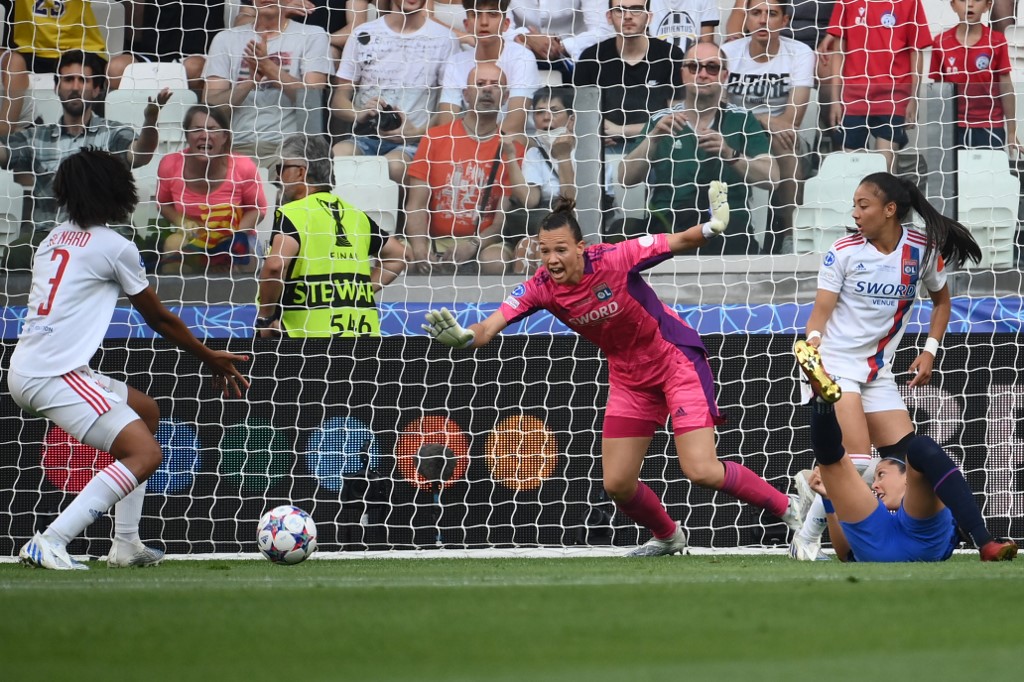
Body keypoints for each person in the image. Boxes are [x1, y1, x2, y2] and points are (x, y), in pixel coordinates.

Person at [422, 184, 806, 556]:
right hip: (628, 378)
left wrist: (712, 226)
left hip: (675, 361)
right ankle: (670, 537)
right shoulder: (540, 287)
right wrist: (464, 338)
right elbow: (489, 327)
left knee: (701, 470)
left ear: (581, 248)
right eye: (544, 252)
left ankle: (787, 506)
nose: (551, 259)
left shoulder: (614, 259)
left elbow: (677, 242)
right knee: (618, 484)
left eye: (560, 250)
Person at [9, 148, 250, 570]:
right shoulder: (114, 246)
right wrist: (208, 355)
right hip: (55, 374)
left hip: (32, 366)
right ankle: (51, 540)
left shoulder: (52, 239)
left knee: (146, 411)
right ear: (114, 190)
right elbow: (157, 317)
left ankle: (126, 544)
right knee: (146, 455)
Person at [789, 171, 1016, 562]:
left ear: (890, 210)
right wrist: (812, 349)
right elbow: (819, 313)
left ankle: (826, 489)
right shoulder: (843, 251)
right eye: (855, 205)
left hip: (878, 371)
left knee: (908, 458)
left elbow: (942, 302)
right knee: (858, 461)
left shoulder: (922, 251)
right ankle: (807, 540)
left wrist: (929, 350)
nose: (855, 213)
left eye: (864, 205)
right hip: (835, 364)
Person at [0, 50, 171, 271]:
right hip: (51, 234)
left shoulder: (114, 132)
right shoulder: (37, 136)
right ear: (57, 87)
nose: (75, 87)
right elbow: (4, 153)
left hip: (107, 232)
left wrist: (150, 120)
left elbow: (141, 153)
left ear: (97, 89)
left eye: (83, 80)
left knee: (144, 254)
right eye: (68, 79)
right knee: (16, 255)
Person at [619, 41, 777, 254]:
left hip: (729, 228)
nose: (702, 74)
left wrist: (730, 154)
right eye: (694, 67)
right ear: (683, 74)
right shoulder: (660, 119)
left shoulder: (741, 118)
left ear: (724, 76)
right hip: (670, 226)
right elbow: (625, 178)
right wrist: (654, 138)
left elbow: (773, 178)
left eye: (712, 68)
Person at [256, 134, 407, 337]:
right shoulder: (356, 215)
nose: (277, 178)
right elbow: (398, 255)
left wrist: (265, 318)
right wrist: (355, 294)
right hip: (362, 337)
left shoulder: (293, 213)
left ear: (301, 172)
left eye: (281, 169)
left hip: (307, 341)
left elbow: (275, 266)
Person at [405, 64, 529, 276]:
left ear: (506, 96)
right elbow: (416, 204)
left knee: (495, 261)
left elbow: (501, 220)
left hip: (483, 243)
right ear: (466, 94)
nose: (487, 90)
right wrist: (420, 248)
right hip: (434, 240)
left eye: (495, 85)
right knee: (399, 256)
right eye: (480, 84)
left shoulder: (512, 148)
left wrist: (473, 244)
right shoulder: (435, 137)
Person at [573, 0, 683, 220]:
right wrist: (594, 134)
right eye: (620, 10)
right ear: (609, 17)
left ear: (649, 16)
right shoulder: (591, 58)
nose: (628, 16)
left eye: (636, 9)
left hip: (657, 150)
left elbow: (678, 120)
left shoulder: (671, 56)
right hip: (603, 151)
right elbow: (576, 119)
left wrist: (620, 130)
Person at [331, 0, 459, 185]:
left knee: (394, 166)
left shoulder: (445, 39)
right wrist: (359, 114)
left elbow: (449, 109)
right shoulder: (362, 33)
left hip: (413, 144)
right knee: (338, 156)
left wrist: (416, 132)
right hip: (364, 137)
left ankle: (399, 215)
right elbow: (338, 100)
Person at [722, 0, 814, 254]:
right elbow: (720, 109)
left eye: (771, 14)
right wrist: (761, 119)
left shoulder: (801, 52)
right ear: (747, 19)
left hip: (778, 134)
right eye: (756, 13)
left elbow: (792, 118)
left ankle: (790, 234)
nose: (763, 20)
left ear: (784, 21)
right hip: (737, 132)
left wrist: (766, 123)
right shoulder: (729, 53)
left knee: (787, 142)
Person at [203, 0, 332, 166]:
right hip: (237, 148)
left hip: (292, 149)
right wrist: (249, 83)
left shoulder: (313, 35)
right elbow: (211, 107)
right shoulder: (225, 39)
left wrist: (268, 68)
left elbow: (312, 101)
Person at [156, 105, 268, 275]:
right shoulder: (170, 164)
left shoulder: (243, 166)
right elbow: (162, 204)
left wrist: (235, 237)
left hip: (236, 236)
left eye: (212, 129)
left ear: (224, 137)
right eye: (197, 129)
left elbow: (258, 209)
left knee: (242, 253)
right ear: (187, 134)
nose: (204, 135)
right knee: (173, 243)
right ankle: (174, 300)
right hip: (193, 238)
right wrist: (182, 222)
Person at [822, 0, 932, 171]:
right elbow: (838, 52)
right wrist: (836, 99)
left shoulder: (910, 2)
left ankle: (890, 197)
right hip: (854, 96)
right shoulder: (847, 2)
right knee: (850, 168)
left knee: (885, 166)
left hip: (893, 96)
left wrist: (914, 98)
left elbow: (915, 51)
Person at [437, 0, 541, 141]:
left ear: (506, 24)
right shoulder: (456, 62)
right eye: (476, 15)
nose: (484, 22)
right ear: (467, 25)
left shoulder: (522, 57)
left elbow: (515, 124)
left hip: (511, 144)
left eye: (492, 14)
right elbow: (447, 122)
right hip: (466, 144)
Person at [930, 0, 1019, 153]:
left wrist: (1012, 131)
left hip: (989, 125)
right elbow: (938, 89)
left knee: (987, 174)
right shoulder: (941, 42)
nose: (969, 5)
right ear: (952, 5)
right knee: (955, 175)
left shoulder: (996, 41)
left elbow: (1006, 86)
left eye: (976, 0)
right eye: (963, 0)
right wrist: (938, 127)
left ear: (987, 6)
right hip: (954, 125)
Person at [508, 85, 577, 275]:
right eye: (539, 112)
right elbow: (530, 200)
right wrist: (510, 156)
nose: (546, 117)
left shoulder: (589, 150)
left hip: (584, 225)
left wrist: (563, 156)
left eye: (554, 111)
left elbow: (570, 201)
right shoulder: (535, 153)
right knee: (526, 247)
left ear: (572, 118)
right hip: (549, 227)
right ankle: (526, 302)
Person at [505, 0, 613, 80]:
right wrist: (523, 36)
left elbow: (604, 30)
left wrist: (560, 46)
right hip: (520, 54)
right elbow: (497, 22)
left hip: (577, 58)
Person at [648, 0, 719, 54]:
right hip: (657, 61)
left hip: (691, 64)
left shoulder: (706, 1)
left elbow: (705, 46)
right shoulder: (647, 2)